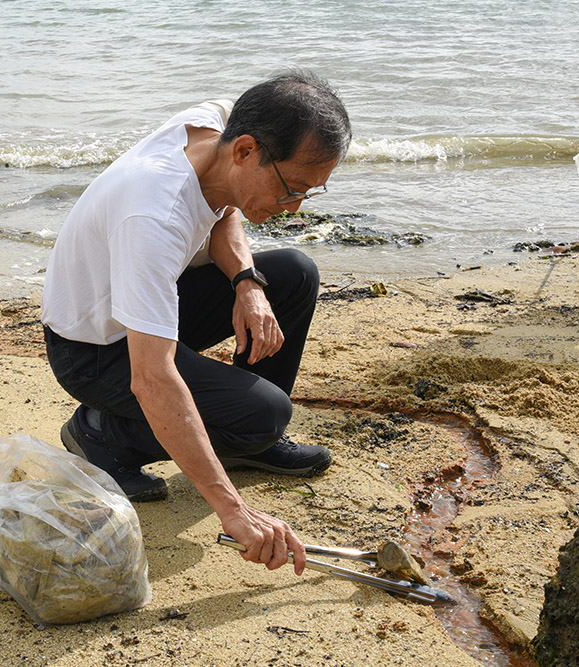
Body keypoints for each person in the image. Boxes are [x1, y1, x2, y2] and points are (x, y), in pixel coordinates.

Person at [41, 70, 352, 573]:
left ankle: (251, 444)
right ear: (246, 150)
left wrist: (247, 283)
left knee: (293, 273)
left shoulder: (218, 123)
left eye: (307, 194)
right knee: (265, 412)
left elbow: (223, 204)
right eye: (291, 189)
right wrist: (234, 510)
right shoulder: (153, 217)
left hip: (142, 300)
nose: (293, 208)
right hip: (93, 348)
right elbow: (152, 378)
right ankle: (102, 434)